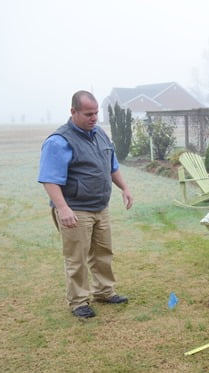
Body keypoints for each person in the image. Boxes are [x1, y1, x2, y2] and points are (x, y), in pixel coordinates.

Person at [38, 90, 133, 319]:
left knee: (103, 252)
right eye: (88, 114)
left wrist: (125, 188)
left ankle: (104, 291)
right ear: (73, 112)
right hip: (75, 208)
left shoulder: (99, 134)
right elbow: (49, 178)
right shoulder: (59, 141)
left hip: (100, 206)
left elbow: (112, 166)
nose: (94, 118)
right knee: (76, 257)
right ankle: (79, 301)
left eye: (96, 113)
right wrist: (63, 208)